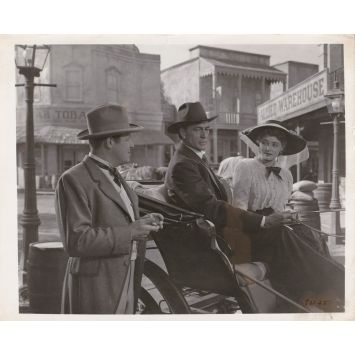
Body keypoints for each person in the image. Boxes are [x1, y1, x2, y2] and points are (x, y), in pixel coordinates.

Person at [55, 104, 164, 314]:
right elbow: (77, 241)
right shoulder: (73, 179)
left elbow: (117, 219)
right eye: (128, 138)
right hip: (96, 286)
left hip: (126, 277)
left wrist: (143, 222)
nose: (132, 144)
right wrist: (131, 231)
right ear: (110, 141)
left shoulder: (116, 176)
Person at [231, 120, 344, 312]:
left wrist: (287, 215)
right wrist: (269, 220)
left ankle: (327, 291)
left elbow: (280, 207)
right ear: (258, 142)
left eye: (274, 145)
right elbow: (238, 212)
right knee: (290, 236)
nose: (268, 148)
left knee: (311, 235)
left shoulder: (286, 174)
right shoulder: (245, 166)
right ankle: (334, 286)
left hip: (278, 228)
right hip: (254, 230)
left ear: (281, 149)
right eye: (265, 142)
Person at [165, 102, 294, 260]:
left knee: (298, 233)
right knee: (286, 236)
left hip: (219, 229)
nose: (204, 135)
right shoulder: (182, 165)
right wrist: (264, 221)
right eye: (197, 129)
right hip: (205, 240)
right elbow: (211, 207)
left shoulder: (194, 157)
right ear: (183, 132)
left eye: (206, 129)